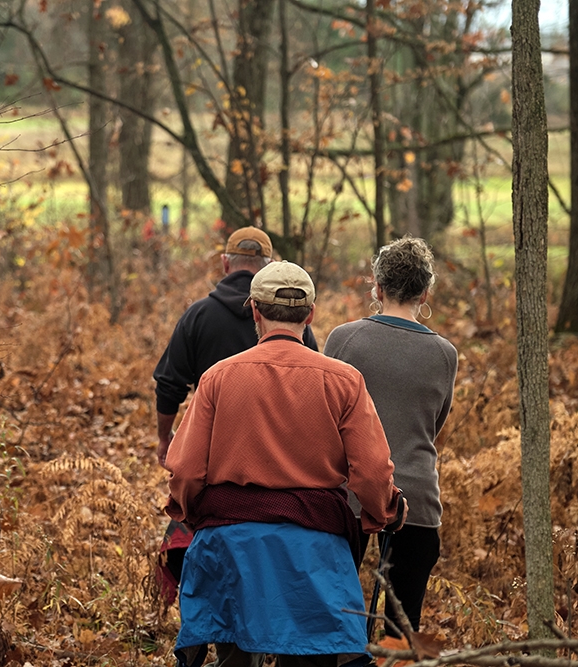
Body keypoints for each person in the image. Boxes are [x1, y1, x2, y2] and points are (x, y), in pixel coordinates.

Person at [165, 261, 407, 667]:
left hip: (230, 545)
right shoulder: (344, 380)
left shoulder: (217, 378)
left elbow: (187, 471)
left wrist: (187, 511)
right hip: (313, 551)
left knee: (234, 656)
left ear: (255, 311)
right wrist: (385, 510)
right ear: (310, 315)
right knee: (311, 656)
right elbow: (372, 472)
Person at [152, 227, 318, 599]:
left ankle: (205, 633)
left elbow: (169, 383)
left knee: (209, 558)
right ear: (269, 266)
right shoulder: (298, 327)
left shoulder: (198, 316)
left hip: (217, 465)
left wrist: (166, 438)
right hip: (283, 469)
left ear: (226, 262)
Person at [323, 236, 457, 636]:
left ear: (377, 288)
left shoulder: (343, 339)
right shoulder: (444, 353)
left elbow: (326, 417)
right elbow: (434, 423)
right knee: (402, 630)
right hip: (416, 498)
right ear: (425, 291)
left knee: (334, 620)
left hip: (347, 495)